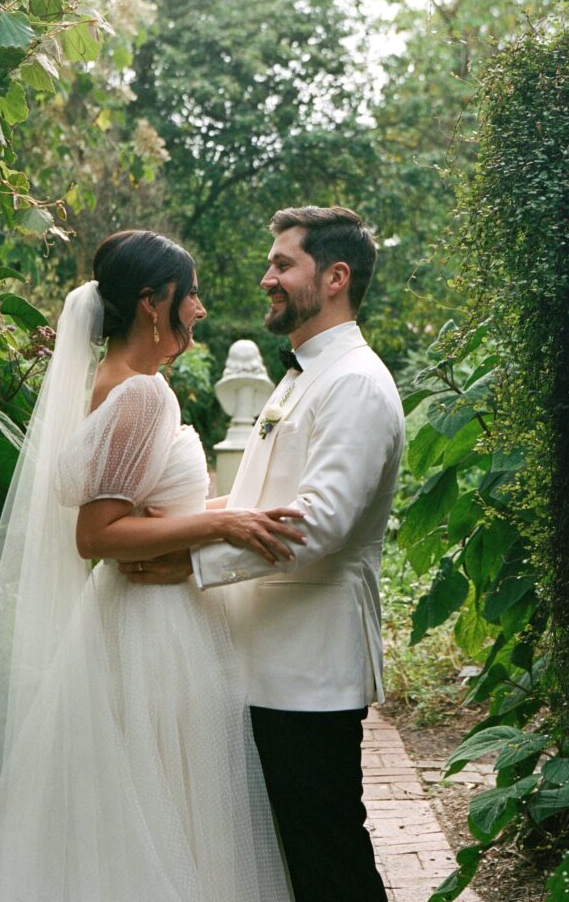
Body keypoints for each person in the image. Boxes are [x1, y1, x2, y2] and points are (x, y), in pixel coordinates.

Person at [0, 230, 303, 901]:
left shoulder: (117, 385)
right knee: (170, 808)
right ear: (153, 302)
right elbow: (97, 535)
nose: (199, 308)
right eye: (190, 293)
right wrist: (222, 522)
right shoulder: (140, 393)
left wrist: (222, 511)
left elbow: (140, 512)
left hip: (139, 617)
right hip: (154, 632)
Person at [120, 207, 405, 902]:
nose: (266, 278)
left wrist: (189, 562)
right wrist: (180, 524)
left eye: (283, 265)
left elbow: (319, 525)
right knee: (288, 862)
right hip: (263, 662)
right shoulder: (301, 376)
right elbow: (256, 496)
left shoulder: (356, 384)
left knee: (327, 860)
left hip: (306, 670)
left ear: (335, 277)